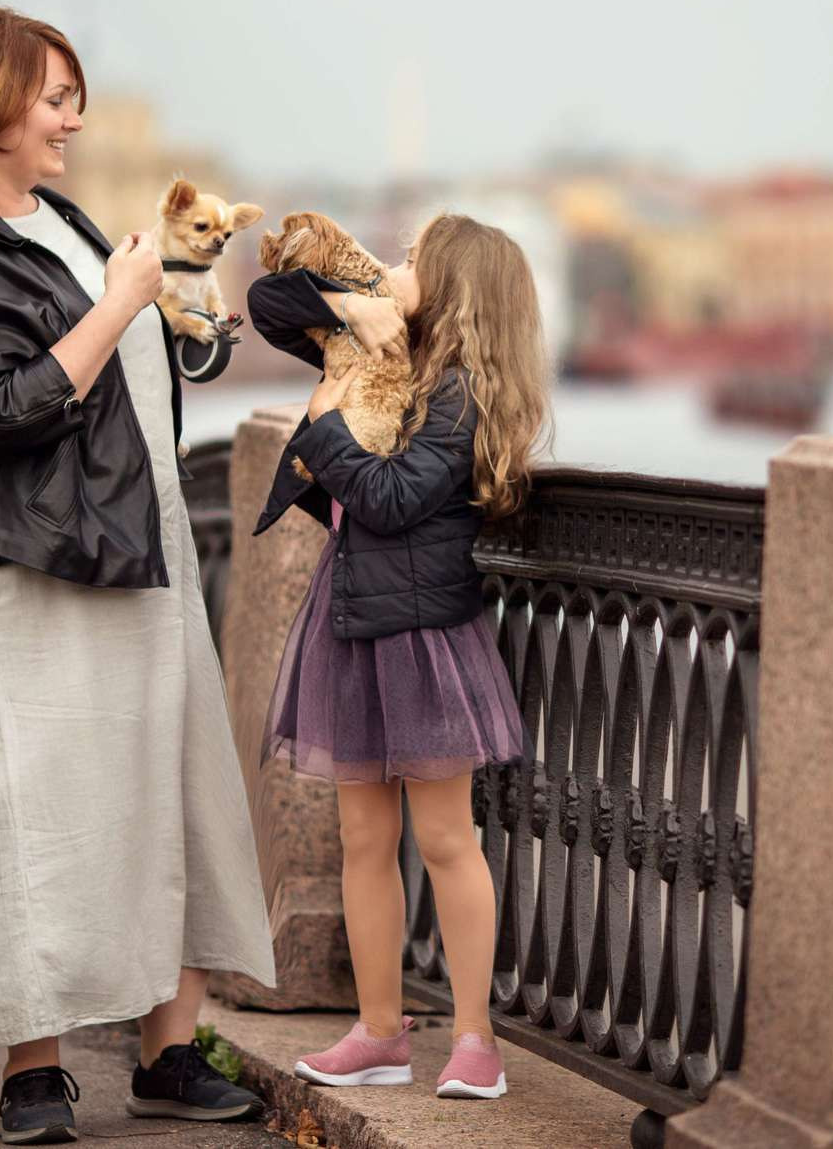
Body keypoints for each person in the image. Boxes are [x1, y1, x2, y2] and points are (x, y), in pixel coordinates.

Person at [0, 4, 277, 1145]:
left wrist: (175, 329)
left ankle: (167, 1052)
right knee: (27, 811)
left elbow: (108, 360)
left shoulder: (53, 218)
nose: (74, 117)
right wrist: (118, 304)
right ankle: (32, 1072)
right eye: (54, 97)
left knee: (169, 788)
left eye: (71, 95)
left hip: (123, 546)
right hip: (20, 566)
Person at [246, 213, 550, 1100]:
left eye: (415, 258)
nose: (395, 265)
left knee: (447, 838)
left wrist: (321, 426)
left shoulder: (455, 395)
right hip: (353, 625)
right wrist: (350, 302)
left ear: (453, 285)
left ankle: (475, 1041)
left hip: (423, 637)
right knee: (363, 839)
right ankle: (380, 1032)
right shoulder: (381, 352)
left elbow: (387, 499)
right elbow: (267, 304)